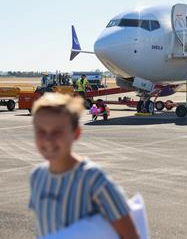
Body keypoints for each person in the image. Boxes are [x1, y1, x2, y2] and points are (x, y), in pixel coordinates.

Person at [29, 93, 138, 238]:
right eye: (41, 131)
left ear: (76, 133)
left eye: (57, 132)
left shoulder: (93, 179)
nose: (48, 140)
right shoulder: (37, 176)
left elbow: (131, 235)